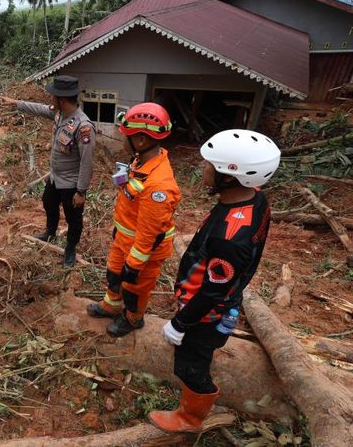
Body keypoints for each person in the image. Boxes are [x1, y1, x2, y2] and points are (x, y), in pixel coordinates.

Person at [148, 129, 281, 433]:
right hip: (220, 297)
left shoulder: (230, 238)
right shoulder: (255, 200)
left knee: (190, 364)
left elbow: (212, 290)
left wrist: (181, 323)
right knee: (197, 351)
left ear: (231, 176)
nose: (203, 169)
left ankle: (190, 418)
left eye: (210, 165)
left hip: (207, 312)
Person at [87, 103, 181, 337]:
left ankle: (133, 318)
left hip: (143, 251)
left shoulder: (158, 186)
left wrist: (135, 264)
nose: (122, 141)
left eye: (125, 136)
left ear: (140, 140)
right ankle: (111, 305)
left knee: (134, 287)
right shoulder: (142, 161)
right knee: (114, 274)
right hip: (125, 239)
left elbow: (150, 233)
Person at [0, 75, 95, 267]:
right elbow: (40, 109)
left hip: (71, 183)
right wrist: (17, 103)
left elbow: (87, 163)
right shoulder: (59, 114)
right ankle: (50, 232)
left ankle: (70, 249)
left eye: (53, 96)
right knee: (48, 202)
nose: (50, 99)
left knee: (73, 219)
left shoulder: (83, 127)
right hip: (55, 177)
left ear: (62, 99)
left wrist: (81, 192)